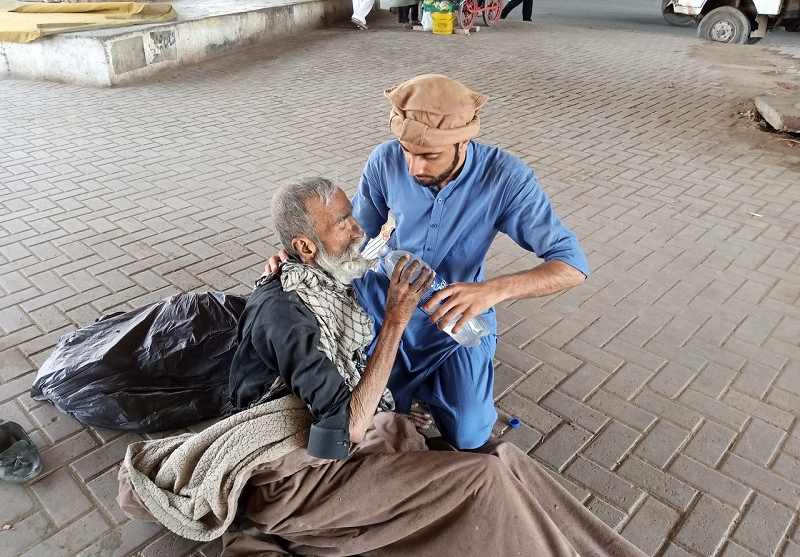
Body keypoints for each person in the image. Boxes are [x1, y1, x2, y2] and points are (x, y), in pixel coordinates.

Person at [118, 177, 645, 557]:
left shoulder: (321, 275)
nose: (359, 228)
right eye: (344, 222)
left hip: (338, 435)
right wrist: (395, 318)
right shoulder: (286, 312)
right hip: (293, 477)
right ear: (306, 245)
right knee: (482, 479)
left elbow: (329, 268)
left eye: (352, 214)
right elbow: (339, 434)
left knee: (502, 459)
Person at [350, 74, 589, 450]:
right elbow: (354, 238)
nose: (413, 168)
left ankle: (427, 390)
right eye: (406, 150)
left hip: (454, 317)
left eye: (429, 155)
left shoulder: (505, 177)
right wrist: (301, 255)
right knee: (354, 408)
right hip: (385, 305)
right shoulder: (384, 160)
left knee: (468, 433)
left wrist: (491, 292)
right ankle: (406, 393)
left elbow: (572, 266)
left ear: (463, 141)